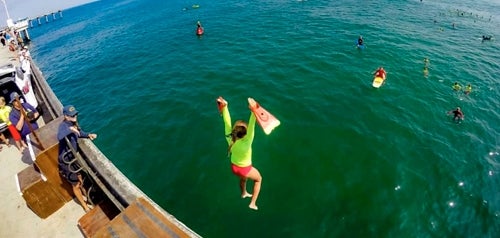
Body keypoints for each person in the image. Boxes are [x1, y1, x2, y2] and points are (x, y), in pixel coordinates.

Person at [217, 96, 262, 210]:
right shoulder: (247, 141)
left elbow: (227, 121)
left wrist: (225, 107)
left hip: (234, 168)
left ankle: (243, 193)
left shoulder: (230, 138)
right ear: (246, 134)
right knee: (258, 179)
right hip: (245, 169)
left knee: (243, 178)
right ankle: (253, 203)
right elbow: (252, 125)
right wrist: (253, 111)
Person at [57, 105, 97, 213]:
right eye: (72, 115)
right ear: (65, 116)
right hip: (66, 161)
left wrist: (88, 135)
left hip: (73, 158)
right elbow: (59, 136)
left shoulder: (73, 124)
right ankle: (85, 206)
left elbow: (79, 133)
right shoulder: (64, 126)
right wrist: (70, 129)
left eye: (75, 114)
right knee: (76, 184)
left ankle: (86, 196)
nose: (75, 116)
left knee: (80, 179)